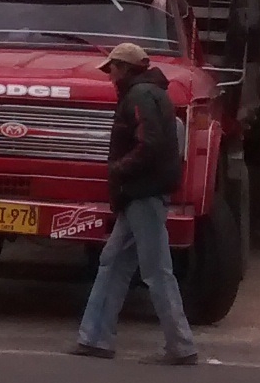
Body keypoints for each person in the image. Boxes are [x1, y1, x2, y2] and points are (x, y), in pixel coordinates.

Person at [69, 41, 199, 365]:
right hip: (140, 194)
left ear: (124, 68)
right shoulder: (149, 94)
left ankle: (181, 345)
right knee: (114, 263)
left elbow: (149, 145)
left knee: (156, 270)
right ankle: (95, 337)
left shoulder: (139, 97)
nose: (109, 74)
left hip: (142, 194)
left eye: (112, 67)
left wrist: (118, 170)